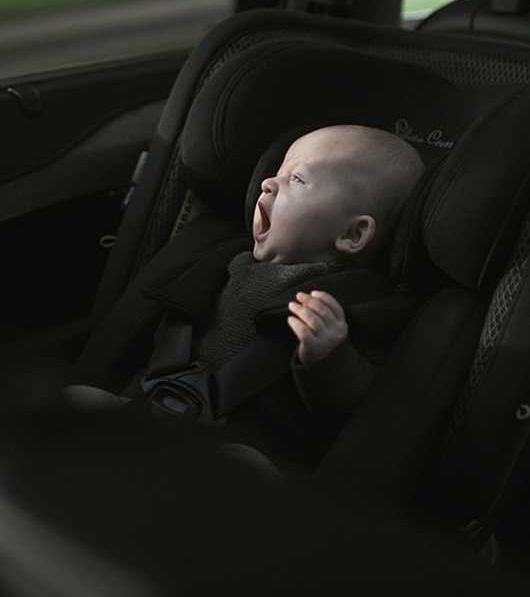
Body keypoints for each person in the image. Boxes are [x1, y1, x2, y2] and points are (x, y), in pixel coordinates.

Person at [69, 124, 426, 469]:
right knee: (77, 397)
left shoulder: (358, 303)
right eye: (277, 172)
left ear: (352, 234)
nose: (268, 183)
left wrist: (329, 357)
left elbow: (356, 409)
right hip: (154, 401)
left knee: (248, 464)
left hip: (242, 439)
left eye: (297, 179)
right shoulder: (217, 257)